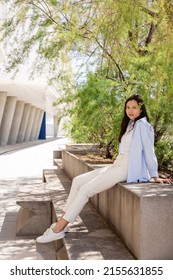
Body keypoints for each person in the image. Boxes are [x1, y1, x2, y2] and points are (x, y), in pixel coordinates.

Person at [36, 94, 172, 243]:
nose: (130, 110)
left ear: (141, 110)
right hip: (117, 164)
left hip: (127, 168)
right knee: (77, 181)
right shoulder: (129, 124)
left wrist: (154, 174)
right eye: (128, 107)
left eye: (134, 108)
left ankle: (59, 228)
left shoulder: (144, 126)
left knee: (86, 189)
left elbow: (149, 151)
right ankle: (65, 221)